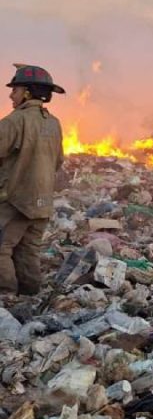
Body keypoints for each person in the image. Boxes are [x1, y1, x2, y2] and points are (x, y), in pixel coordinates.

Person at [0, 64, 65, 294]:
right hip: (42, 203)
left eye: (15, 90)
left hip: (16, 200)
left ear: (27, 92)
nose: (10, 95)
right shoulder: (53, 122)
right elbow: (58, 160)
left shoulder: (15, 121)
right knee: (28, 250)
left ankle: (5, 297)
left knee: (2, 248)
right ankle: (29, 298)